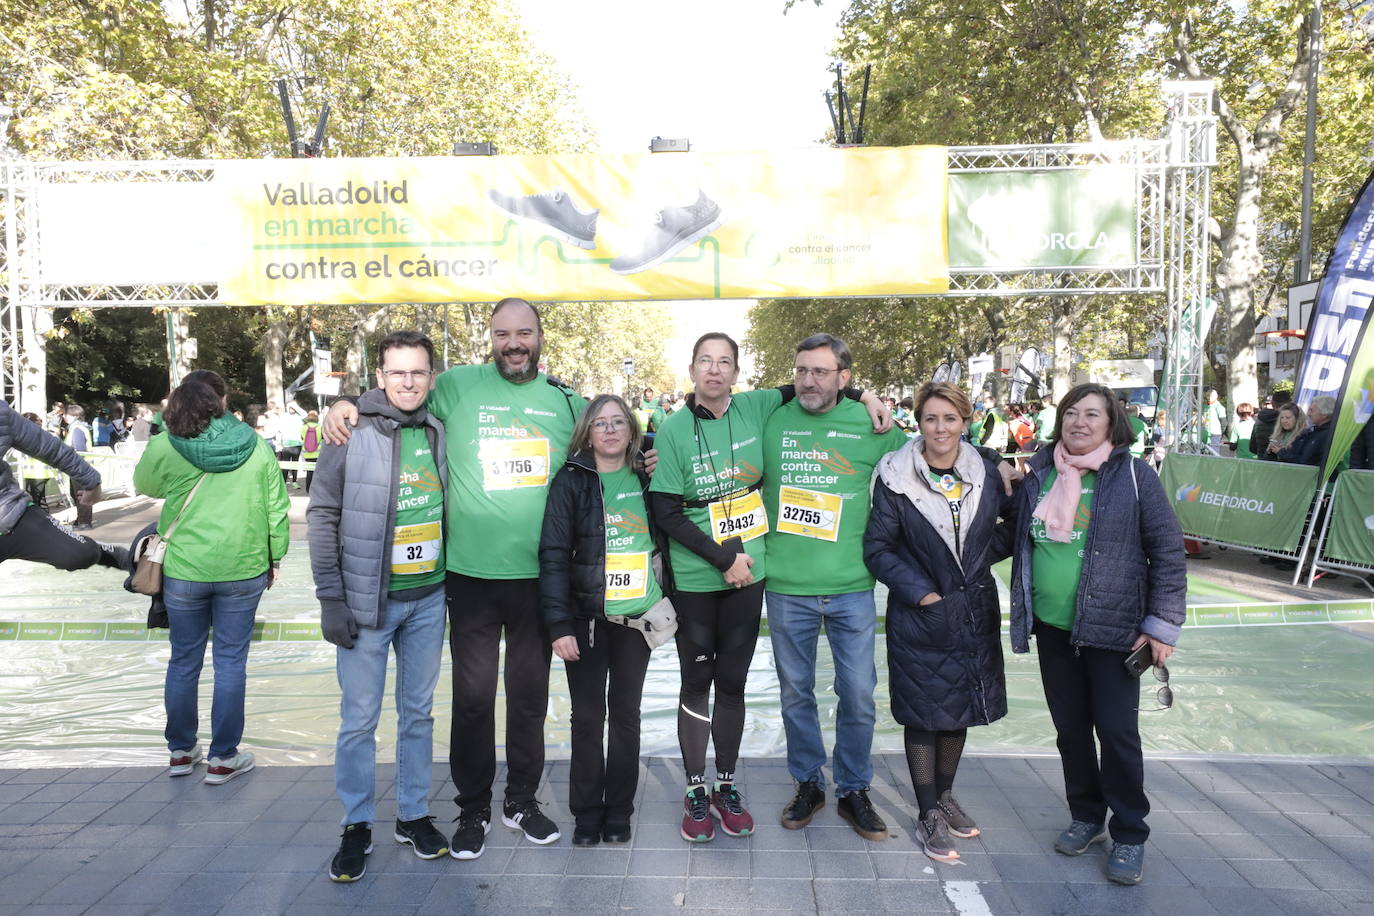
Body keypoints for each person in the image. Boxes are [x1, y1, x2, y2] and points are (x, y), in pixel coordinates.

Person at [324, 298, 586, 858]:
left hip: (539, 577)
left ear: (540, 336)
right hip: (466, 577)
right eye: (503, 334)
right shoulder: (456, 385)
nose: (514, 343)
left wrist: (648, 459)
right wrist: (344, 405)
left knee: (528, 698)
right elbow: (395, 396)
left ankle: (522, 801)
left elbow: (609, 447)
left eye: (524, 333)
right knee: (470, 701)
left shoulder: (567, 401)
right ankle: (473, 808)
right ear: (490, 338)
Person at [649, 331, 889, 843]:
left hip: (785, 578)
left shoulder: (767, 407)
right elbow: (663, 505)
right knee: (744, 688)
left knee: (844, 694)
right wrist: (722, 557)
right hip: (734, 577)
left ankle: (833, 789)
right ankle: (733, 788)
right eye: (705, 361)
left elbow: (929, 451)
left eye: (725, 362)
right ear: (692, 368)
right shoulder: (696, 425)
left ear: (737, 373)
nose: (715, 371)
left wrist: (865, 394)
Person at [1007, 383, 1185, 885]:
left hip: (1115, 631)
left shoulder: (1134, 476)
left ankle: (1129, 833)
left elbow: (1168, 552)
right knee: (1071, 732)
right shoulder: (1040, 473)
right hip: (1053, 629)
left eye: (1092, 415)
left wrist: (1162, 624)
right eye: (1071, 414)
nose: (1079, 423)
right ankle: (1087, 816)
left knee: (1117, 734)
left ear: (1112, 425)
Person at [309, 332, 452, 882]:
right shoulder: (349, 430)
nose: (408, 382)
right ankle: (357, 823)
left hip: (428, 598)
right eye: (397, 373)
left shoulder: (438, 429)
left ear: (431, 377)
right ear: (380, 376)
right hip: (366, 604)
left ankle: (412, 814)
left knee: (418, 715)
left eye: (417, 372)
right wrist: (330, 598)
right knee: (359, 721)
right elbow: (322, 515)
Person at [762, 335, 907, 842]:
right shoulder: (772, 418)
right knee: (795, 693)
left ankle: (852, 789)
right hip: (786, 586)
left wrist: (997, 464)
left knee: (860, 694)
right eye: (802, 370)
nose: (809, 380)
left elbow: (933, 454)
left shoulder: (873, 426)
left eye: (821, 372)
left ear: (844, 377)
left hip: (851, 587)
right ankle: (808, 783)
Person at [863, 382, 1014, 862]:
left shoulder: (986, 471)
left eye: (950, 419)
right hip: (921, 615)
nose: (940, 428)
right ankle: (927, 810)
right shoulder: (895, 476)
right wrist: (923, 591)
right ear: (918, 422)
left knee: (958, 710)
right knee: (924, 713)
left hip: (973, 609)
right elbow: (878, 548)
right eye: (931, 419)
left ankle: (946, 797)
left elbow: (1019, 520)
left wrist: (973, 561)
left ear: (965, 422)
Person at [133, 370, 290, 785]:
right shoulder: (255, 444)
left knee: (184, 660)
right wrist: (275, 557)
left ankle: (181, 752)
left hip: (184, 570)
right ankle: (223, 758)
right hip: (244, 566)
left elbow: (143, 484)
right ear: (220, 404)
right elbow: (276, 507)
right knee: (230, 663)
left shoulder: (167, 444)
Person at [539, 394, 675, 847]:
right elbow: (554, 555)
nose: (611, 430)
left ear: (632, 432)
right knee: (587, 717)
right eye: (601, 423)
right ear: (587, 432)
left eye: (619, 422)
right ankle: (586, 812)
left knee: (625, 716)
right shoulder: (571, 481)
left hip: (637, 620)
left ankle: (619, 810)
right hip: (587, 620)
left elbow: (674, 530)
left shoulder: (649, 477)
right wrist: (559, 625)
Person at [1, 401, 125, 572]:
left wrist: (91, 481)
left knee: (78, 554)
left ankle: (100, 551)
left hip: (8, 515)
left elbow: (48, 446)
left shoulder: (2, 414)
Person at [1276, 396, 1336, 469]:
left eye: (1311, 410)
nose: (1308, 414)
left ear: (1324, 414)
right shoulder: (1313, 433)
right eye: (1282, 417)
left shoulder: (1326, 435)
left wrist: (1282, 452)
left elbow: (1305, 462)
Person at [63, 405, 96, 529]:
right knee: (78, 495)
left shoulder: (77, 429)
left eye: (65, 414)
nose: (63, 417)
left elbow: (79, 450)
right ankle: (81, 520)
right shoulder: (78, 428)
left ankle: (84, 522)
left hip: (79, 468)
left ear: (72, 415)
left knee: (81, 496)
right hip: (80, 468)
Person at [1251, 389, 1290, 457]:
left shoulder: (1259, 420)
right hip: (1282, 463)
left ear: (1272, 403)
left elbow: (1252, 447)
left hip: (1262, 461)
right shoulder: (1291, 422)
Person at [276, 404, 304, 486]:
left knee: (295, 464)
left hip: (297, 443)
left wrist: (296, 406)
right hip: (286, 443)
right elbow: (279, 431)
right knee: (286, 464)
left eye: (293, 407)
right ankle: (284, 482)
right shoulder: (284, 416)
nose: (292, 408)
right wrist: (279, 443)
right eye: (290, 407)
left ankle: (295, 481)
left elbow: (305, 414)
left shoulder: (299, 417)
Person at [300, 410, 322, 494]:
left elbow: (302, 438)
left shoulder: (304, 427)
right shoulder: (320, 427)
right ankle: (316, 489)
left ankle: (308, 489)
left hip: (307, 453)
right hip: (318, 453)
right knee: (317, 472)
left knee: (309, 472)